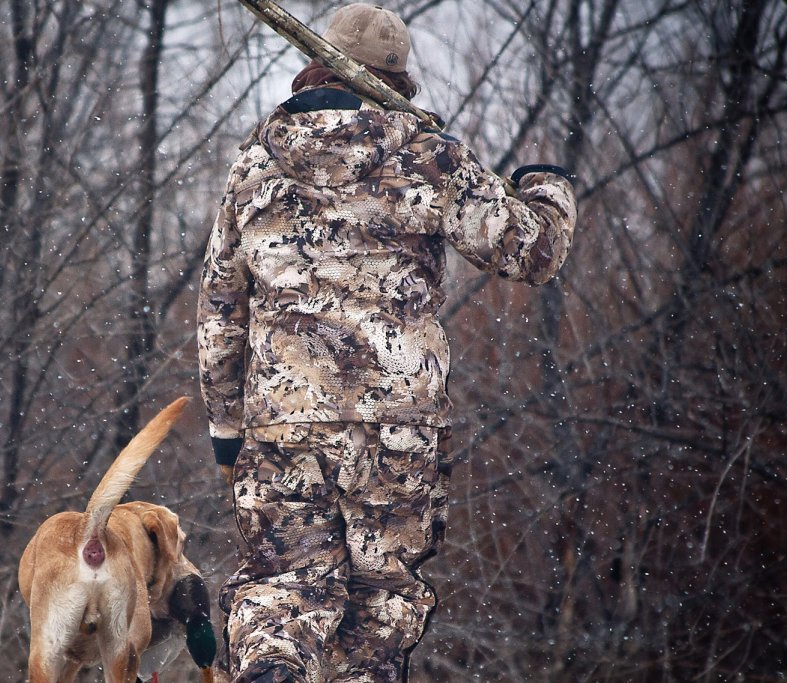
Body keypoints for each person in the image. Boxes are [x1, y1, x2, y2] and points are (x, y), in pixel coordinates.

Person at [196, 4, 577, 682]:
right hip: (396, 426)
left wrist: (227, 428)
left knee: (282, 588)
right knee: (379, 603)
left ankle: (272, 672)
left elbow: (222, 306)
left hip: (284, 421)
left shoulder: (256, 161)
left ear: (312, 67)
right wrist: (547, 187)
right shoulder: (429, 156)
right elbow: (534, 251)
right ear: (397, 81)